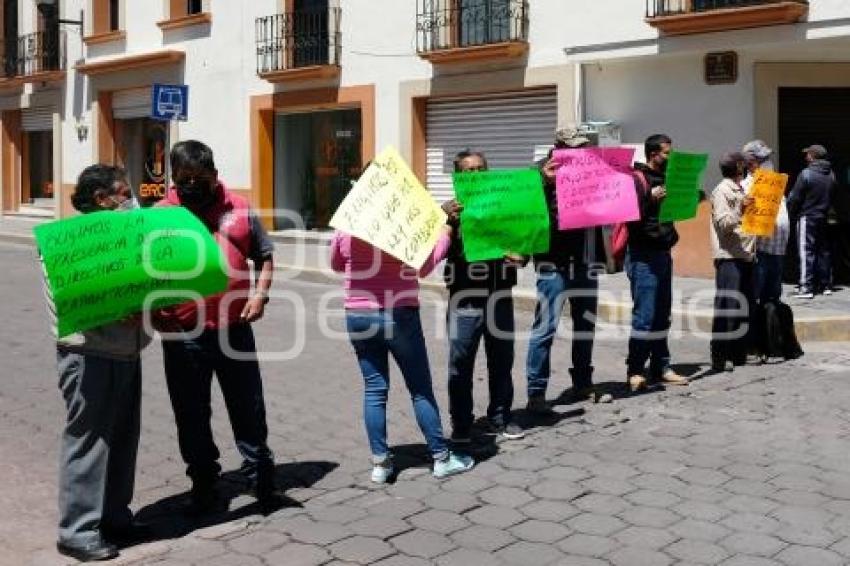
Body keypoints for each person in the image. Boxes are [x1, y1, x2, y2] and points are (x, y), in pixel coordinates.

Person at [154, 140, 279, 513]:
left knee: (249, 406)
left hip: (234, 328)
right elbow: (144, 272)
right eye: (184, 178)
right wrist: (153, 310)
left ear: (214, 175)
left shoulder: (238, 207)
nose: (191, 184)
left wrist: (260, 296)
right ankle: (204, 479)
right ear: (174, 179)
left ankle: (259, 472)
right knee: (191, 411)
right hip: (182, 334)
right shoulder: (160, 215)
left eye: (199, 177)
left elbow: (265, 255)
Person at [330, 201, 474, 483]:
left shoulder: (347, 223)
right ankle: (441, 459)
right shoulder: (402, 223)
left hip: (358, 314)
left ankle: (381, 464)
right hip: (398, 314)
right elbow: (425, 266)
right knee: (420, 389)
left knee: (374, 389)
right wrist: (445, 232)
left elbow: (336, 263)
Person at [50, 165, 151, 562]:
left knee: (124, 437)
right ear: (101, 200)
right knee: (89, 440)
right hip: (88, 353)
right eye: (123, 194)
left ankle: (114, 516)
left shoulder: (130, 234)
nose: (130, 200)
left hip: (127, 351)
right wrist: (116, 310)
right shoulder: (66, 240)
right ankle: (77, 530)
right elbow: (71, 294)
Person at [526, 125, 613, 414]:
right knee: (545, 329)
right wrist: (547, 183)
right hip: (554, 265)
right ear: (558, 147)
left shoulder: (594, 168)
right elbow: (529, 216)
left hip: (586, 262)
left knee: (585, 326)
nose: (580, 152)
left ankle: (583, 383)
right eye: (573, 147)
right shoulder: (537, 174)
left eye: (583, 147)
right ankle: (536, 393)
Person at [440, 150, 524, 443]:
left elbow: (522, 246)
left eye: (480, 169)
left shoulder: (504, 206)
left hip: (499, 294)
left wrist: (521, 256)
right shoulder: (448, 210)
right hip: (464, 298)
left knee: (502, 360)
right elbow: (430, 250)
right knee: (460, 363)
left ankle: (500, 416)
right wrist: (445, 219)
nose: (475, 175)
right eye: (468, 170)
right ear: (458, 175)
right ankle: (461, 424)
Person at [625, 134, 688, 392]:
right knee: (645, 316)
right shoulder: (636, 180)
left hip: (663, 253)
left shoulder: (669, 179)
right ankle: (636, 370)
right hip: (642, 256)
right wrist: (649, 199)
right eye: (667, 153)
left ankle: (661, 366)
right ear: (653, 154)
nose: (670, 157)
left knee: (663, 315)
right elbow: (626, 213)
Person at [710, 152, 756, 372]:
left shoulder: (740, 189)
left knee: (742, 307)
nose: (745, 168)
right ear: (737, 167)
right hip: (729, 257)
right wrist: (741, 208)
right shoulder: (722, 191)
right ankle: (720, 355)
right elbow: (723, 223)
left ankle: (739, 353)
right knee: (727, 307)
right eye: (742, 165)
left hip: (746, 255)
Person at [741, 140, 790, 304]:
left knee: (773, 298)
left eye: (768, 158)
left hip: (778, 249)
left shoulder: (774, 183)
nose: (769, 163)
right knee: (756, 297)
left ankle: (770, 328)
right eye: (764, 160)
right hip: (760, 251)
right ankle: (755, 328)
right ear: (751, 163)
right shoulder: (746, 186)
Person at [787, 144, 837, 299]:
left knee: (805, 251)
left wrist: (790, 212)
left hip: (807, 217)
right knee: (823, 251)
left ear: (812, 156)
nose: (805, 156)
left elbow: (795, 198)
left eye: (807, 154)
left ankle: (806, 287)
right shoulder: (831, 174)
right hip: (823, 217)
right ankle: (825, 285)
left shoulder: (806, 174)